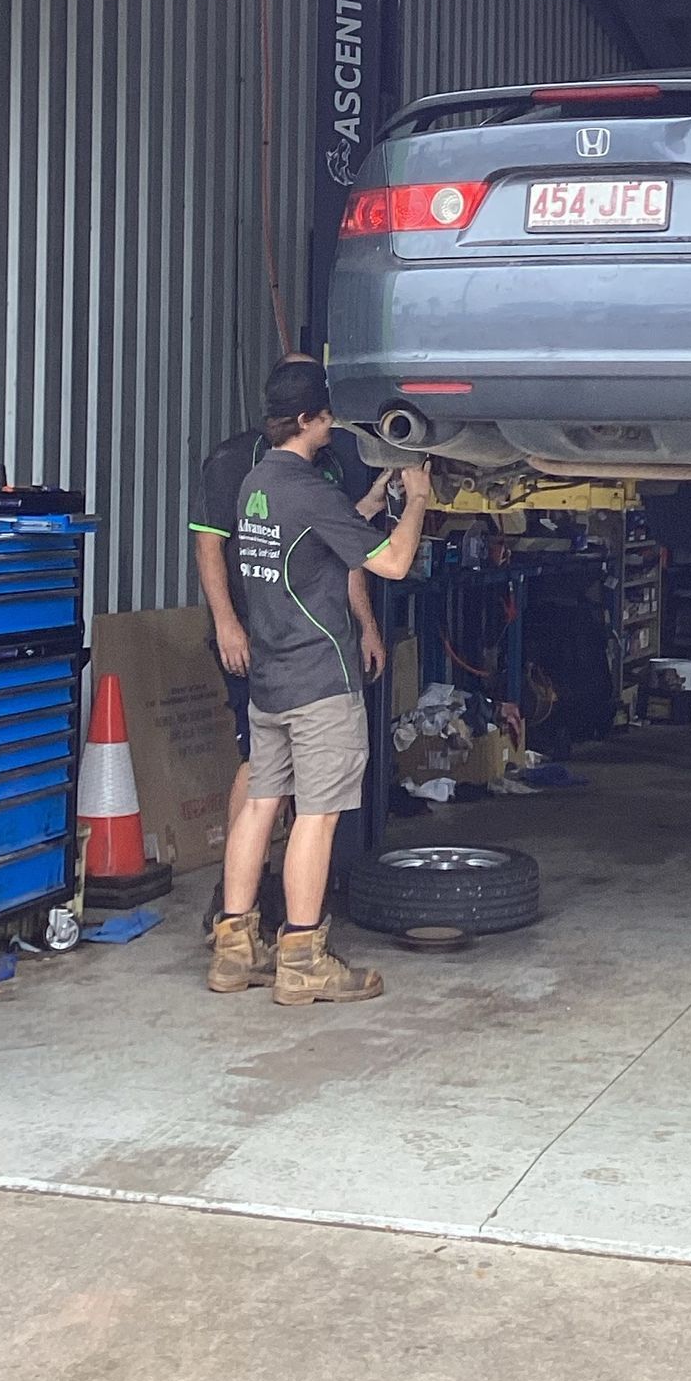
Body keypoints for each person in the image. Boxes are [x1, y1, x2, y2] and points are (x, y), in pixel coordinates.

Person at [192, 356, 431, 1004]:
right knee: (317, 820)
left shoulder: (257, 485)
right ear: (306, 420)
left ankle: (235, 949)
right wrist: (417, 507)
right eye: (325, 416)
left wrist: (369, 504)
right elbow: (395, 562)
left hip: (271, 680)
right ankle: (302, 955)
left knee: (262, 806)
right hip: (320, 682)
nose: (332, 425)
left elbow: (313, 538)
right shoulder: (311, 490)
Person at [192, 352, 392, 867]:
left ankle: (256, 901)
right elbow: (210, 547)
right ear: (301, 413)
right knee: (260, 774)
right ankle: (237, 893)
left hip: (308, 643)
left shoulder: (325, 466)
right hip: (255, 637)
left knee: (280, 785)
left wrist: (366, 625)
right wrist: (227, 624)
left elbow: (338, 548)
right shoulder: (234, 462)